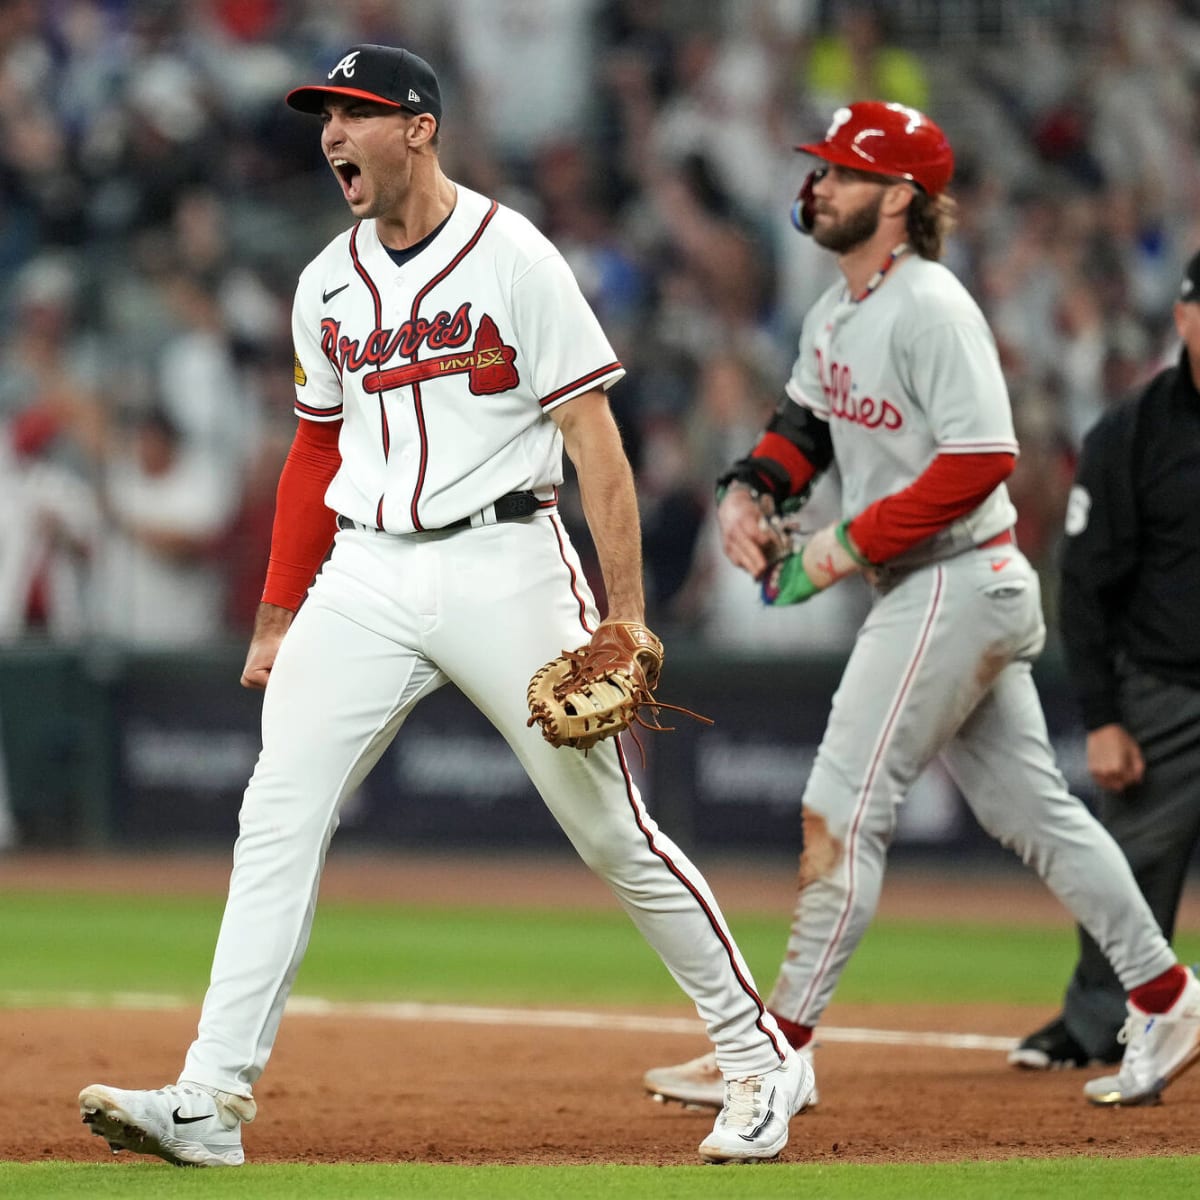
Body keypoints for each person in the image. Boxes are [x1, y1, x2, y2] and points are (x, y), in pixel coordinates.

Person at [77, 43, 811, 1168]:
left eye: (354, 115)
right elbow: (313, 450)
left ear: (418, 127)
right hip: (366, 572)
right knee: (276, 812)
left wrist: (626, 616)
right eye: (323, 117)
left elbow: (595, 445)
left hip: (504, 558)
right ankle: (210, 1100)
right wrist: (279, 612)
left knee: (611, 829)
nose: (330, 136)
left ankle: (761, 1060)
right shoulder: (325, 281)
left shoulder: (513, 255)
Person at [643, 100, 1200, 1114]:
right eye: (819, 170)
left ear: (900, 198)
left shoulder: (932, 304)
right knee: (1034, 812)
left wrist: (841, 546)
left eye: (844, 175)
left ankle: (773, 1052)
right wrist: (749, 493)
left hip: (953, 576)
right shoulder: (838, 309)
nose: (818, 186)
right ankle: (1166, 994)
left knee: (842, 809)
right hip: (939, 582)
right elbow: (802, 427)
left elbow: (985, 457)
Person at [1008, 250, 1200, 1073]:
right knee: (1128, 865)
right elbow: (1085, 587)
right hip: (1168, 688)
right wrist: (1106, 718)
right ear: (1185, 318)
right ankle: (1095, 1025)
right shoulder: (1134, 430)